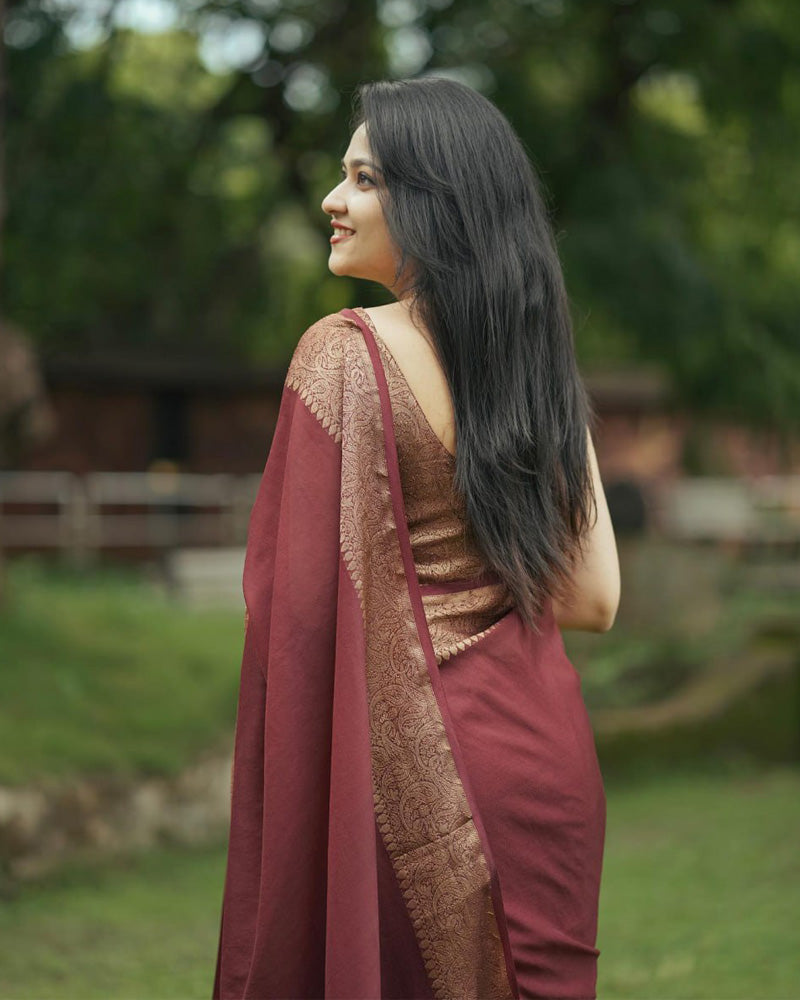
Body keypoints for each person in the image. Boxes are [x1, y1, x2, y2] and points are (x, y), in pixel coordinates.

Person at [212, 77, 620, 1000]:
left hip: (415, 780)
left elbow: (300, 616)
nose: (334, 198)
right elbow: (596, 601)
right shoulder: (537, 370)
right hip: (545, 766)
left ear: (435, 202)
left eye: (364, 179)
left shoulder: (343, 353)